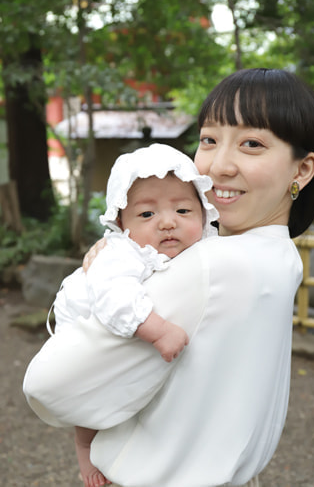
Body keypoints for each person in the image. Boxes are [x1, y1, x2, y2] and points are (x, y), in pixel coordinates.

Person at [23, 68, 314, 487]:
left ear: (303, 169)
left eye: (252, 144)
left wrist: (100, 274)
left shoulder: (211, 265)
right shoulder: (281, 258)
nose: (219, 166)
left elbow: (48, 385)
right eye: (208, 140)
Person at [45, 143, 219, 487]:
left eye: (183, 210)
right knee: (90, 397)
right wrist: (159, 331)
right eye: (147, 215)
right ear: (121, 223)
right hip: (83, 325)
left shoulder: (205, 247)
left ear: (204, 212)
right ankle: (86, 448)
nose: (168, 222)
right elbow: (116, 298)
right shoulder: (120, 254)